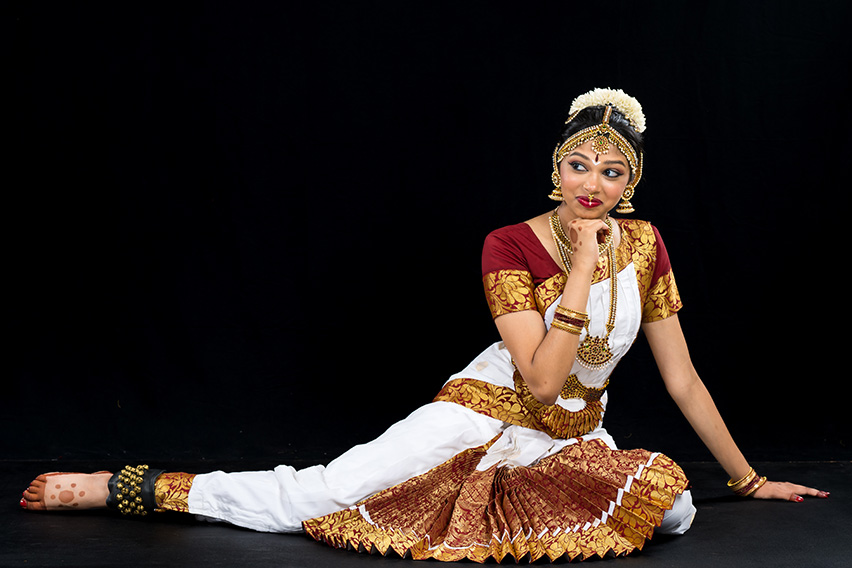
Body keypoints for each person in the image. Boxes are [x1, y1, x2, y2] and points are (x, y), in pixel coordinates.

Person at [21, 88, 828, 562]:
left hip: (572, 434)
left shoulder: (647, 245)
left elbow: (681, 377)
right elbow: (542, 378)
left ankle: (502, 494)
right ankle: (130, 487)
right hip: (486, 409)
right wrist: (582, 267)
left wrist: (749, 479)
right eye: (579, 164)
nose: (593, 182)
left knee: (674, 509)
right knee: (322, 492)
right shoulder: (509, 245)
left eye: (612, 171)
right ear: (556, 168)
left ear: (632, 182)